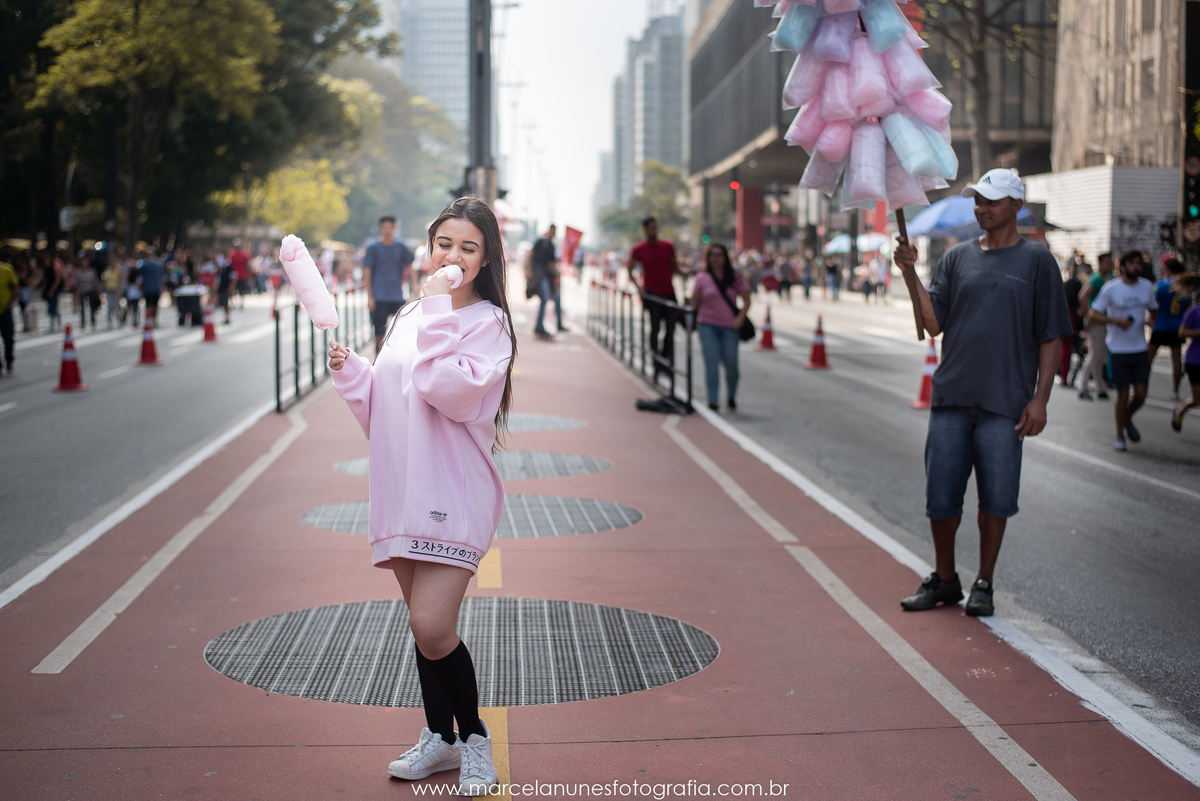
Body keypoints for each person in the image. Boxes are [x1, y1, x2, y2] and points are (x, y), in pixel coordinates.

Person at [327, 197, 514, 796]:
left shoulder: (490, 324)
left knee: (434, 626)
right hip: (402, 487)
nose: (452, 256)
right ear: (428, 247)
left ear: (485, 261)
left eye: (468, 248)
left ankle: (476, 742)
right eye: (444, 243)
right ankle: (441, 738)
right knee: (420, 626)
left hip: (452, 492)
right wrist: (355, 373)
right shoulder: (409, 315)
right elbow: (392, 404)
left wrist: (435, 307)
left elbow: (446, 391)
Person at [892, 169, 1072, 617]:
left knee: (996, 499)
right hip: (952, 396)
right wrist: (909, 273)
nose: (980, 207)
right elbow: (933, 324)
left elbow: (1052, 336)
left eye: (990, 200)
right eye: (977, 199)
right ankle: (946, 579)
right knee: (941, 498)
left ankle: (984, 581)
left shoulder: (1038, 262)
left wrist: (1040, 399)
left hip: (1005, 403)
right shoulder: (956, 259)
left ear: (1016, 205)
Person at [1089, 251, 1157, 451]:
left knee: (1142, 394)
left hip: (1139, 348)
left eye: (1139, 264)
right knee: (1123, 393)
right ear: (1123, 266)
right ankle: (1120, 435)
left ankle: (1125, 418)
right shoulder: (1111, 288)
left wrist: (1151, 321)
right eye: (1132, 263)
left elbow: (1153, 310)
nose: (1136, 267)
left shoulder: (1147, 287)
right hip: (1117, 349)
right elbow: (1093, 314)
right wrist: (1114, 321)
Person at [690, 242, 751, 412]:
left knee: (731, 365)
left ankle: (731, 396)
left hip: (730, 327)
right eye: (713, 255)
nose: (716, 259)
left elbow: (747, 300)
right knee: (712, 364)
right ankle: (713, 399)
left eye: (719, 255)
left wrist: (740, 318)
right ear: (708, 258)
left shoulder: (734, 277)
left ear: (725, 258)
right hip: (707, 326)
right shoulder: (702, 278)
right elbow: (694, 302)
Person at [627, 217, 684, 380]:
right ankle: (656, 363)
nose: (653, 231)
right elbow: (629, 270)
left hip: (669, 292)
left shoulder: (668, 246)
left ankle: (667, 360)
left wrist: (687, 273)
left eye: (655, 228)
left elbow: (675, 266)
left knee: (671, 329)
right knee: (655, 328)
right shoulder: (639, 249)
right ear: (645, 230)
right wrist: (639, 289)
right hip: (651, 295)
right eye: (650, 228)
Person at [363, 215, 416, 354]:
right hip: (379, 295)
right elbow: (367, 272)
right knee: (379, 334)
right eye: (384, 227)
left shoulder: (400, 246)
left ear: (394, 228)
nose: (387, 230)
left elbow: (411, 266)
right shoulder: (373, 248)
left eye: (389, 227)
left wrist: (415, 286)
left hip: (396, 295)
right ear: (381, 229)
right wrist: (370, 297)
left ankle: (396, 358)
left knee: (402, 329)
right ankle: (377, 363)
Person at [1148, 258, 1191, 401]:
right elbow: (1187, 309)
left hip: (1160, 325)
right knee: (1176, 359)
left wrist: (1151, 320)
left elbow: (1153, 305)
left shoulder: (1162, 286)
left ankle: (1141, 385)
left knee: (1149, 357)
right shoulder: (1184, 288)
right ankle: (1175, 391)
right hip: (1176, 327)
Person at [1077, 252, 1114, 400]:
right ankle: (1083, 386)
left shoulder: (1105, 279)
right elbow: (1083, 296)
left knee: (1098, 356)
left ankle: (1099, 387)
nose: (1109, 266)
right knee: (1094, 355)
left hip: (1102, 321)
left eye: (1110, 262)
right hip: (1097, 321)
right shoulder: (1097, 279)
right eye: (1107, 263)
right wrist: (1088, 316)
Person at [1170, 272, 1200, 432]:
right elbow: (1182, 333)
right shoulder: (1194, 311)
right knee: (1197, 400)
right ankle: (1180, 411)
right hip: (1195, 361)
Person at [529, 224, 564, 338]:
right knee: (544, 299)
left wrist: (557, 274)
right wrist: (527, 270)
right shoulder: (541, 242)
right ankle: (539, 327)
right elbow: (530, 255)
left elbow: (551, 263)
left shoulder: (551, 246)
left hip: (546, 275)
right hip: (539, 274)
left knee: (547, 300)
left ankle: (541, 326)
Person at [0, 249, 19, 374]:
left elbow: (16, 287)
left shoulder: (6, 269)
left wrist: (10, 303)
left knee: (8, 338)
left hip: (5, 310)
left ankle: (9, 360)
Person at [138, 249, 164, 326]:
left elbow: (141, 277)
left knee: (150, 305)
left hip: (149, 287)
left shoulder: (144, 264)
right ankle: (154, 319)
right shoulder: (159, 263)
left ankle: (150, 319)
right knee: (154, 305)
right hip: (155, 287)